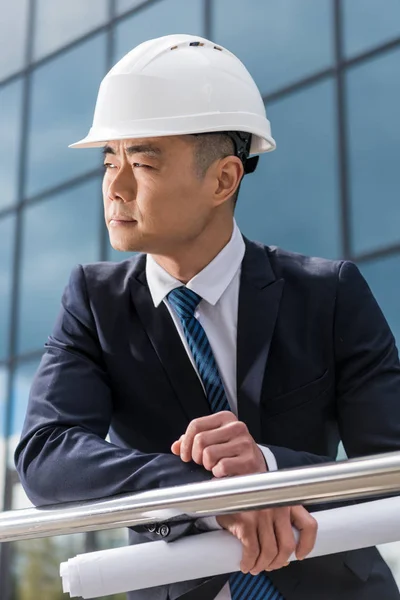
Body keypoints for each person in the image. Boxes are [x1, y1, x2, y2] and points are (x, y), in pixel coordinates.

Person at [15, 34, 400, 600]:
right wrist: (214, 491)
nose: (115, 187)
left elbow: (390, 465)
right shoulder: (94, 304)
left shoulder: (328, 293)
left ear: (223, 180)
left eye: (142, 161)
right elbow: (47, 456)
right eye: (109, 160)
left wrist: (269, 466)